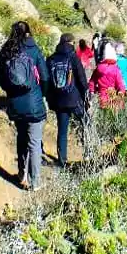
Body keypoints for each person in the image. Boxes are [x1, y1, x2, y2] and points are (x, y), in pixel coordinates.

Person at [0, 20, 49, 190]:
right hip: (34, 102)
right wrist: (42, 93)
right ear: (28, 33)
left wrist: (12, 92)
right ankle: (35, 183)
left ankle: (22, 174)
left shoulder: (6, 51)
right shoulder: (33, 50)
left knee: (21, 138)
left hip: (15, 104)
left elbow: (2, 82)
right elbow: (45, 76)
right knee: (34, 142)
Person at [45, 33, 89, 167]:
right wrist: (86, 97)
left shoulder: (51, 59)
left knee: (62, 131)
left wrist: (50, 99)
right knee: (85, 124)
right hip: (74, 99)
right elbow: (82, 79)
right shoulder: (73, 57)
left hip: (59, 101)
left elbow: (47, 82)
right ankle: (88, 153)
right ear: (70, 43)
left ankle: (62, 160)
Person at [90, 42, 127, 107]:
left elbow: (92, 82)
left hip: (102, 96)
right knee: (113, 111)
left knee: (103, 112)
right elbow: (120, 83)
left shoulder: (98, 69)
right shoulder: (115, 69)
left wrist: (93, 91)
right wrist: (121, 92)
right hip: (113, 95)